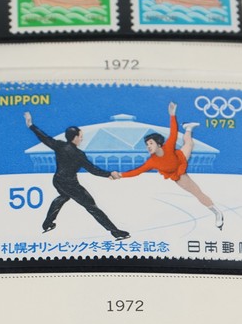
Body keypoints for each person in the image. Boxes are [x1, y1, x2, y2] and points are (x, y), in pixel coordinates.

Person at [114, 102, 224, 230]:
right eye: (147, 144)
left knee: (189, 144)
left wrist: (172, 115)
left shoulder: (169, 146)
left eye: (150, 143)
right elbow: (136, 171)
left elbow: (173, 132)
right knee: (196, 192)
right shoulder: (152, 162)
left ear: (159, 144)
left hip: (179, 157)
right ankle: (217, 212)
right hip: (178, 175)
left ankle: (188, 128)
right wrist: (121, 175)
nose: (148, 146)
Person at [24, 111, 129, 241]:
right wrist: (109, 174)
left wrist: (31, 125)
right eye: (80, 136)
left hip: (58, 180)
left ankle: (47, 223)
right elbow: (93, 170)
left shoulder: (59, 145)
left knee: (63, 197)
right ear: (75, 137)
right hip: (71, 184)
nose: (82, 139)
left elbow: (44, 137)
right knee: (92, 206)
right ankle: (115, 232)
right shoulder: (79, 154)